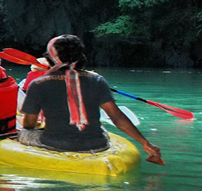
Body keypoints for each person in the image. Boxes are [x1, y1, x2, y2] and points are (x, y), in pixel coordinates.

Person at [19, 35, 163, 163]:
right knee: (101, 127)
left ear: (50, 58)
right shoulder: (97, 80)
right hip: (98, 145)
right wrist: (145, 142)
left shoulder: (38, 83)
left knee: (25, 132)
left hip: (54, 143)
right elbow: (117, 116)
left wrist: (32, 125)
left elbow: (29, 124)